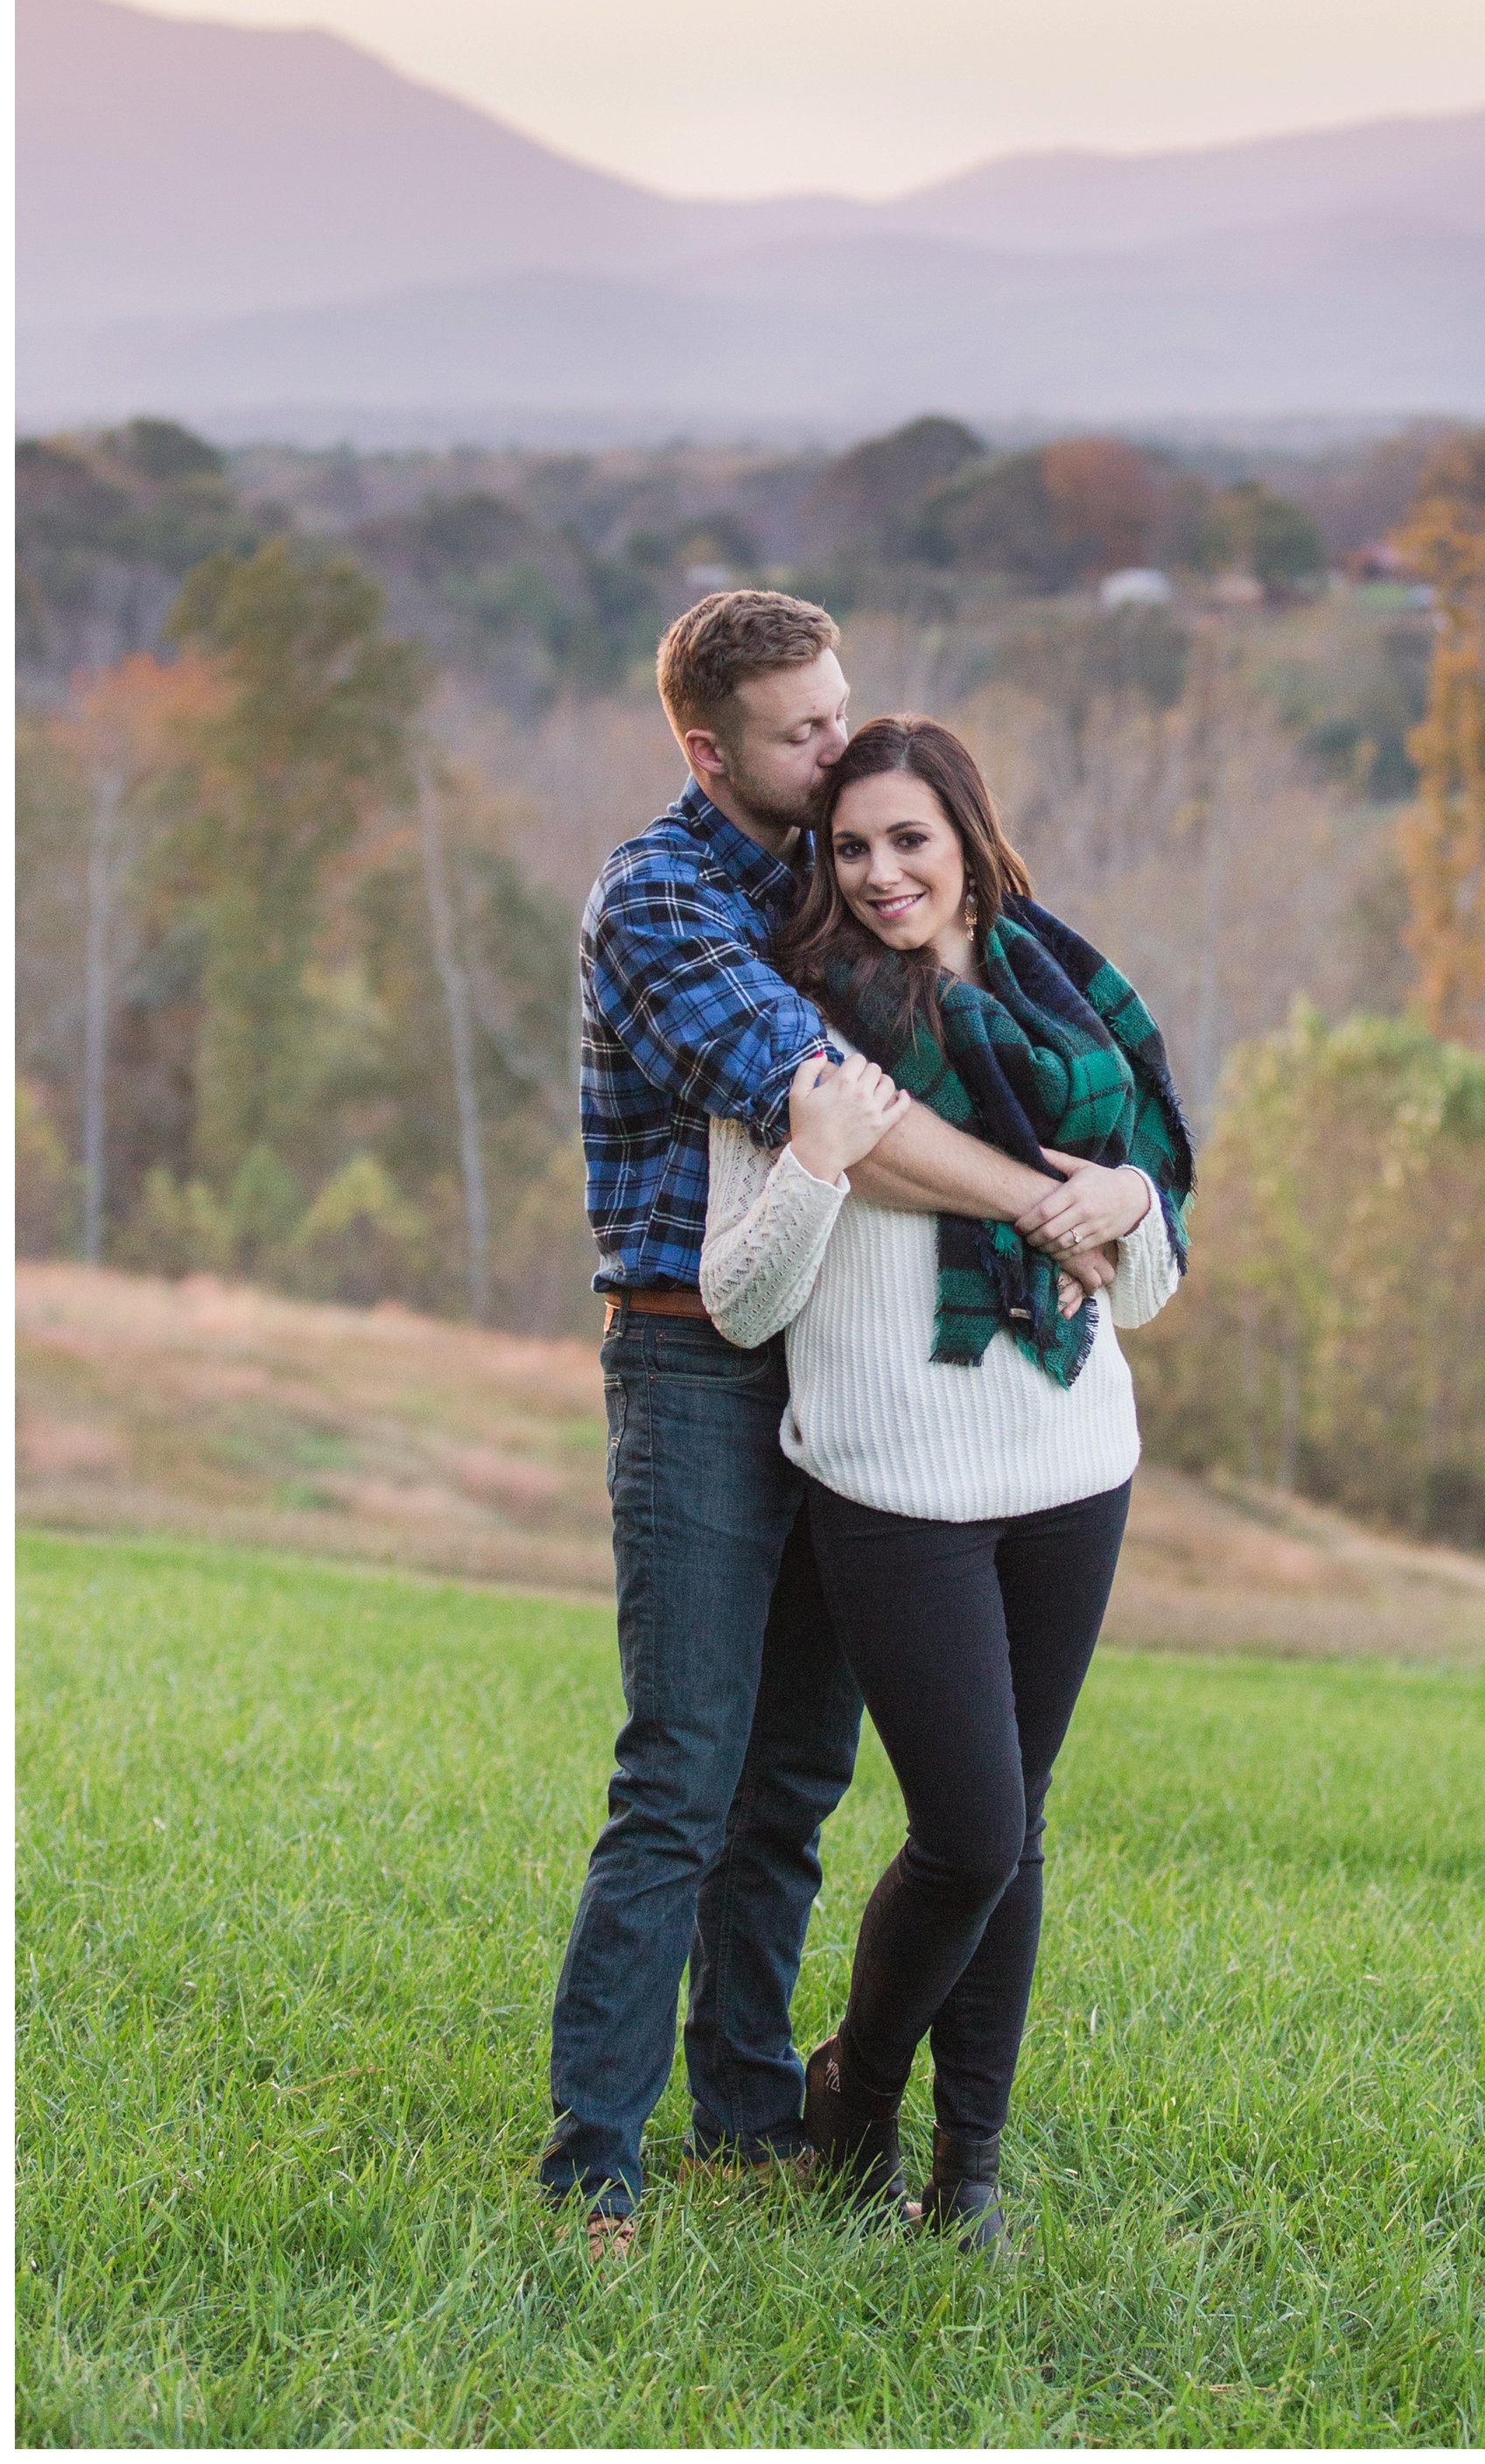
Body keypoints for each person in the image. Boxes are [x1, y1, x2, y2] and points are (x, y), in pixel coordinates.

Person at [543, 595, 1148, 2250]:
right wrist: (1051, 1205)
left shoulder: (832, 885)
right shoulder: (663, 897)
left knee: (797, 1777)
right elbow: (848, 1118)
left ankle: (751, 2108)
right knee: (683, 1766)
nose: (835, 748)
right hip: (694, 1355)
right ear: (706, 745)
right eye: (802, 731)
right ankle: (595, 2152)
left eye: (842, 712)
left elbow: (977, 1061)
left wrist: (1124, 1193)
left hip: (844, 1374)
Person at [697, 712, 1192, 2254]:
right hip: (890, 1485)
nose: (880, 873)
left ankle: (966, 2169)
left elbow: (1146, 1286)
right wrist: (819, 1162)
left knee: (1019, 1826)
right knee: (970, 1830)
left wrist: (1125, 1199)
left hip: (1072, 1463)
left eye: (909, 839)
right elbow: (741, 1297)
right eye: (850, 848)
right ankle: (855, 2093)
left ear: (970, 839)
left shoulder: (1077, 1025)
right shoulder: (799, 1032)